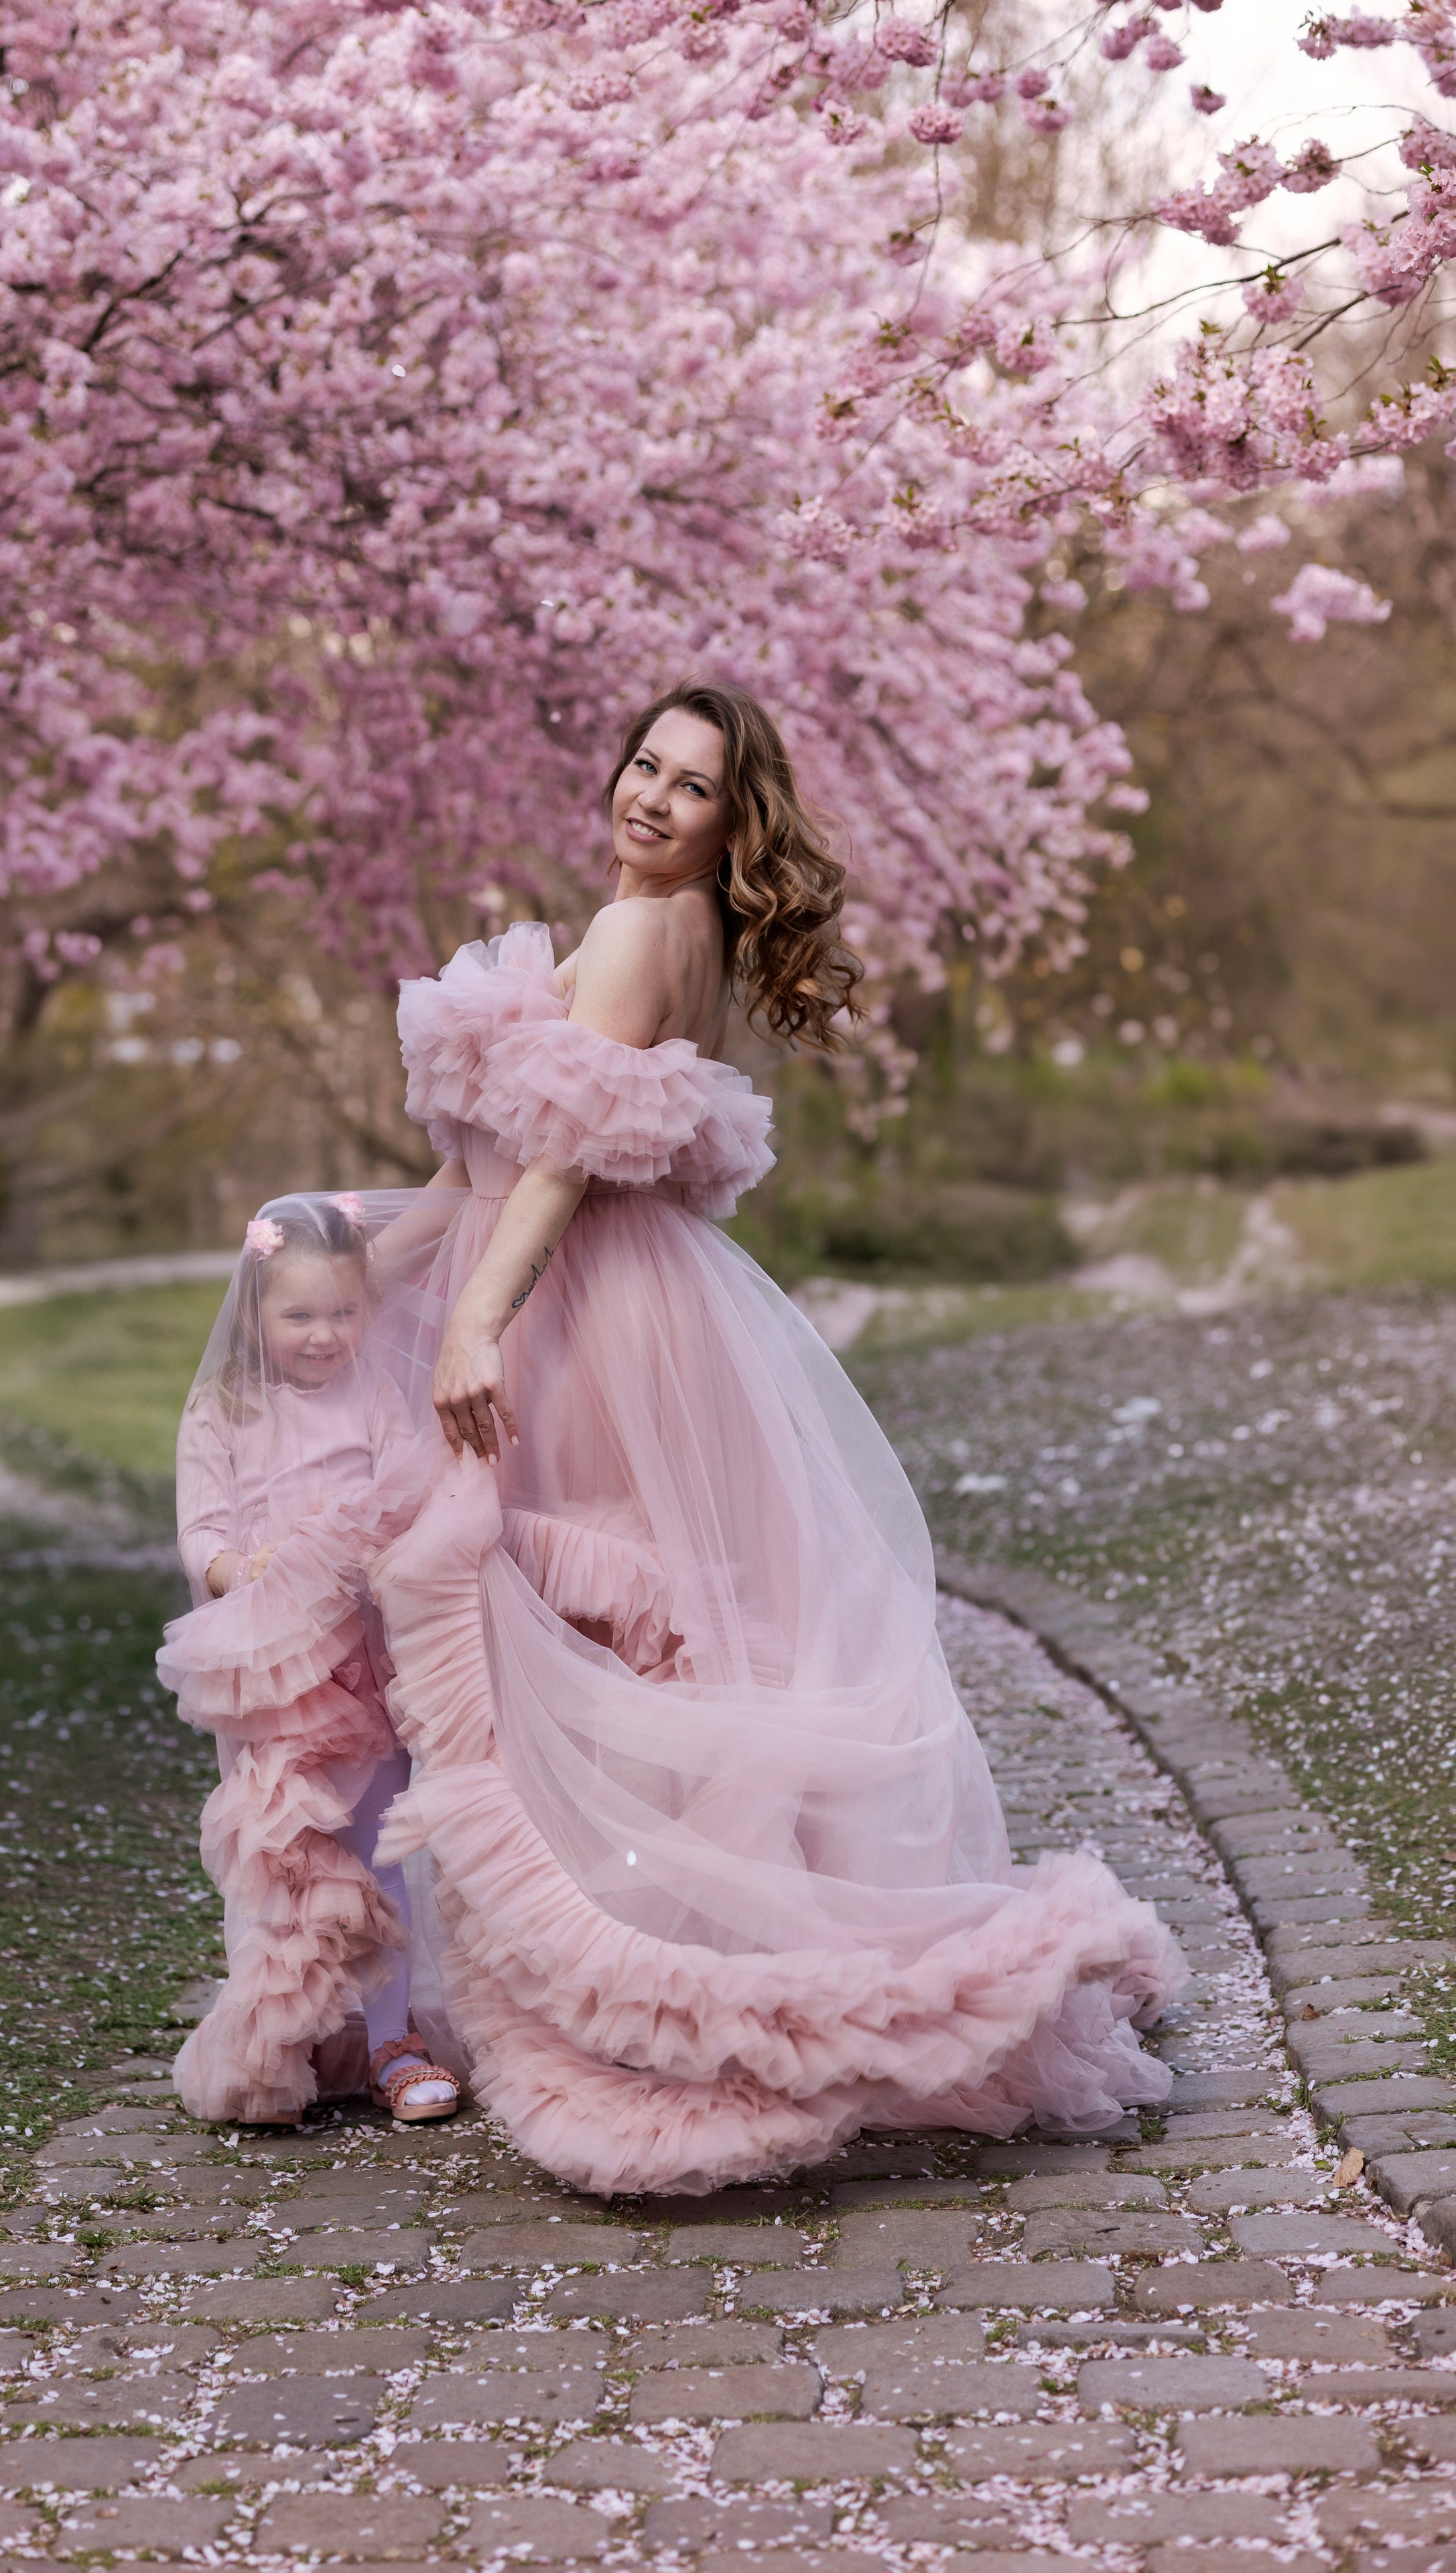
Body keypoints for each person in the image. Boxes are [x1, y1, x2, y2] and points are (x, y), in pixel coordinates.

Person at [358, 680, 1185, 2195]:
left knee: (611, 1635)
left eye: (692, 787)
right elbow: (492, 1165)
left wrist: (473, 1316)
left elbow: (557, 1162)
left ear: (732, 823)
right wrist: (367, 1261)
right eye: (643, 765)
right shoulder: (665, 929)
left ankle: (682, 1986)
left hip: (584, 1316)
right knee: (653, 1641)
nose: (652, 798)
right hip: (620, 1305)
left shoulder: (636, 933)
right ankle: (642, 1957)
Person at [160, 1193, 463, 2125]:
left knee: (377, 1852)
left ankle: (393, 2042)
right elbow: (200, 1532)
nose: (324, 1335)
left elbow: (406, 1492)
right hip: (272, 1665)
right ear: (254, 1311)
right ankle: (285, 2035)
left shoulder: (374, 1395)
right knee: (290, 1858)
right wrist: (240, 1570)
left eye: (343, 1312)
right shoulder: (224, 1408)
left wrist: (378, 1555)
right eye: (299, 1315)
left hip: (362, 1656)